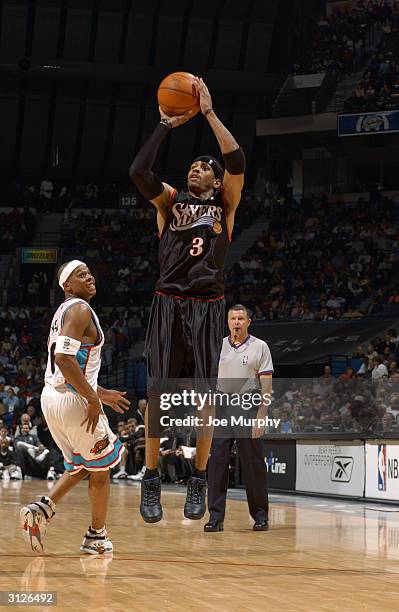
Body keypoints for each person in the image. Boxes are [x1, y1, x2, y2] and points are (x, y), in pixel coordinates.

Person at [129, 77, 245, 523]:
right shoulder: (170, 202)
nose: (194, 168)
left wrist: (210, 115)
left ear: (216, 182)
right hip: (168, 301)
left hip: (209, 305)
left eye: (203, 167)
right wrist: (164, 125)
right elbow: (139, 172)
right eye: (193, 165)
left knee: (205, 397)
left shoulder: (227, 206)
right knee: (158, 392)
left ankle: (198, 478)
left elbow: (236, 159)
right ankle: (153, 478)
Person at [19, 260, 130, 554]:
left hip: (53, 397)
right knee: (103, 468)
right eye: (81, 275)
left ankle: (41, 509)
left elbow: (70, 365)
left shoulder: (63, 312)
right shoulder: (79, 309)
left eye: (90, 272)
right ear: (67, 286)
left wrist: (100, 392)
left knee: (83, 463)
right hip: (72, 399)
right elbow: (66, 361)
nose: (90, 276)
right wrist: (92, 399)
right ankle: (96, 536)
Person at [204, 304, 273, 532]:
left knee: (253, 463)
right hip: (222, 406)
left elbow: (266, 386)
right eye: (233, 319)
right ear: (227, 322)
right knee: (217, 463)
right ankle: (215, 517)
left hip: (248, 406)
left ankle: (260, 515)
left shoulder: (260, 346)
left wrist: (262, 415)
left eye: (241, 318)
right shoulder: (218, 346)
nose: (236, 322)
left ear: (248, 322)